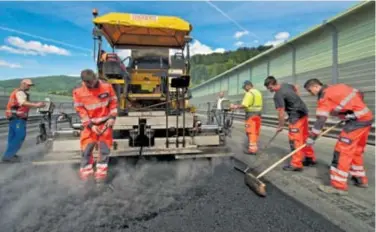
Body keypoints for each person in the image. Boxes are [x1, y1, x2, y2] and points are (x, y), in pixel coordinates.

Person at [304, 78, 373, 195]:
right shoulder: (339, 87)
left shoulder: (324, 97)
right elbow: (359, 94)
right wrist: (351, 113)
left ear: (315, 87)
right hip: (367, 118)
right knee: (356, 150)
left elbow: (321, 120)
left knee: (341, 152)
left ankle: (338, 186)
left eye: (310, 91)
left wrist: (312, 137)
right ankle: (360, 178)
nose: (311, 94)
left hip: (355, 124)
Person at [73, 69, 118, 182]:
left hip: (105, 125)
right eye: (90, 83)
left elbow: (113, 102)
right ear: (84, 82)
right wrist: (90, 126)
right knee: (86, 151)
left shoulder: (107, 87)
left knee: (104, 152)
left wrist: (112, 117)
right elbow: (81, 111)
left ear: (96, 77)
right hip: (90, 127)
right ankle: (86, 178)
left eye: (94, 81)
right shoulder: (78, 92)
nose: (93, 84)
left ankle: (100, 178)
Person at [264, 76, 316, 171]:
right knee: (304, 136)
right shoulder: (286, 85)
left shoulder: (278, 95)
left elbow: (281, 112)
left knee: (295, 140)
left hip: (295, 117)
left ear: (271, 85)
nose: (269, 90)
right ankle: (310, 158)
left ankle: (296, 164)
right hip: (303, 112)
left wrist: (280, 125)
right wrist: (296, 102)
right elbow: (296, 87)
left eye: (268, 88)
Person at [2, 79, 46, 162]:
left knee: (12, 137)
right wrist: (36, 105)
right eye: (28, 85)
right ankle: (8, 156)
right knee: (20, 136)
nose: (29, 87)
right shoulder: (20, 92)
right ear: (22, 84)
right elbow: (22, 102)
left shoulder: (17, 92)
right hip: (17, 117)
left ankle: (10, 154)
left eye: (30, 85)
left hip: (13, 117)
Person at [230, 80, 263, 154]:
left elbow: (244, 105)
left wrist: (234, 106)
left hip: (251, 115)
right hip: (258, 115)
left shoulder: (249, 93)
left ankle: (252, 150)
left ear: (248, 86)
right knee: (256, 131)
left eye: (244, 87)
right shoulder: (258, 92)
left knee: (250, 131)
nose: (244, 89)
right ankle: (254, 147)